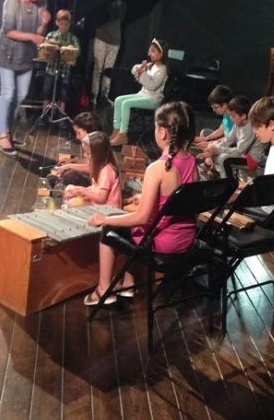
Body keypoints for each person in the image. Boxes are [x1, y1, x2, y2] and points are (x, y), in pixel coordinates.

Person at [85, 101, 198, 306]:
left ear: (162, 132)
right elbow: (178, 201)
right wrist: (145, 198)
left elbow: (142, 218)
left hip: (163, 243)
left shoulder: (158, 168)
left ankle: (103, 289)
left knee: (111, 226)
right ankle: (128, 283)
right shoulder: (191, 161)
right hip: (187, 239)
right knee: (124, 222)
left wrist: (103, 219)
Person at [0, 0, 51, 157]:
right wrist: (32, 37)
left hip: (26, 56)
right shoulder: (13, 0)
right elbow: (9, 31)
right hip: (8, 54)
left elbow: (39, 34)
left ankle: (8, 132)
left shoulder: (42, 2)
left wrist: (44, 23)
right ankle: (2, 135)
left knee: (20, 96)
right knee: (8, 93)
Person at [110, 38, 169, 147]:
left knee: (126, 103)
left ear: (161, 54)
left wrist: (143, 73)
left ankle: (123, 134)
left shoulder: (162, 69)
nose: (149, 54)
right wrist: (140, 68)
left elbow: (152, 86)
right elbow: (134, 69)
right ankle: (116, 131)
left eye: (153, 51)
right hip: (143, 94)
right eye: (150, 51)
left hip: (153, 99)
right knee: (118, 100)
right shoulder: (151, 65)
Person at [198, 95, 266, 177]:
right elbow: (228, 140)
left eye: (233, 116)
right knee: (215, 151)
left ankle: (227, 181)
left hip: (252, 159)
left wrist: (217, 150)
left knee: (223, 158)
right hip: (242, 154)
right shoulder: (238, 124)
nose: (231, 118)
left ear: (243, 116)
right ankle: (218, 174)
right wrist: (213, 146)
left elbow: (240, 151)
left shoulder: (249, 128)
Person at [63, 131, 122, 208]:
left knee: (72, 203)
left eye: (88, 153)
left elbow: (101, 199)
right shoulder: (99, 166)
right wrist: (80, 193)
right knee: (69, 188)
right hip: (97, 204)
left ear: (99, 154)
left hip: (107, 209)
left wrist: (83, 191)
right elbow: (95, 189)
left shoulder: (106, 171)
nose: (85, 155)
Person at [40, 9, 81, 116]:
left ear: (69, 24)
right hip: (51, 69)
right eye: (61, 23)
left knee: (64, 94)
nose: (64, 26)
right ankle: (44, 115)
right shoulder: (51, 35)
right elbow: (44, 47)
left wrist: (69, 49)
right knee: (47, 92)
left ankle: (61, 116)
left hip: (65, 70)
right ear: (57, 22)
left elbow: (78, 51)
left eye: (66, 24)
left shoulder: (72, 38)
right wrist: (51, 45)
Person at [48, 111, 102, 188]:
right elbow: (88, 161)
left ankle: (59, 182)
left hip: (96, 183)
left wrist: (70, 166)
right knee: (66, 165)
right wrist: (72, 161)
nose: (77, 136)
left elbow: (92, 168)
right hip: (92, 177)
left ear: (89, 130)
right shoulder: (90, 143)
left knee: (70, 175)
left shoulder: (97, 145)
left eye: (78, 133)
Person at [91, 0, 127, 103]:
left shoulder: (122, 5)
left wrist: (118, 5)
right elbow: (98, 16)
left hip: (115, 41)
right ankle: (94, 95)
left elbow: (121, 17)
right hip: (101, 37)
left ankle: (104, 95)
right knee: (98, 69)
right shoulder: (104, 1)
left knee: (108, 70)